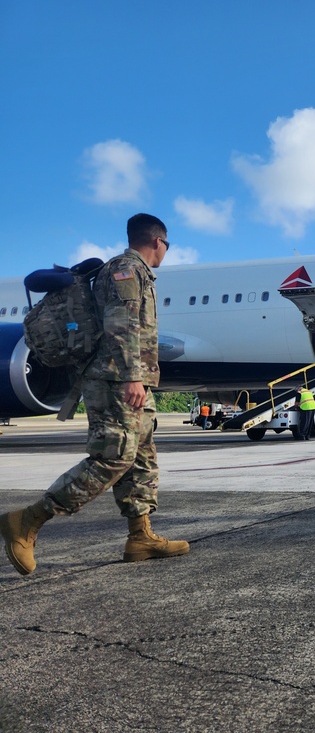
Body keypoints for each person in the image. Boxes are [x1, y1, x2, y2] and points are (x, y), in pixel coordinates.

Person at [0, 213, 189, 575]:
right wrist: (133, 376)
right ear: (158, 242)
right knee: (112, 458)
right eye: (167, 245)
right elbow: (121, 325)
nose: (165, 251)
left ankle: (141, 537)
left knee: (141, 459)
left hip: (132, 379)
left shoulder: (137, 272)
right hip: (115, 379)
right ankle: (26, 521)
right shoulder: (125, 270)